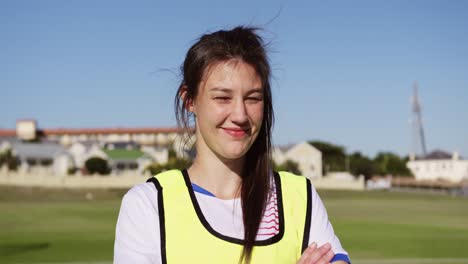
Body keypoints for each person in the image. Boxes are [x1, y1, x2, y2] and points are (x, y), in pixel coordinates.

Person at [114, 26, 351, 264]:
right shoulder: (149, 204)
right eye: (222, 98)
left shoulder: (299, 196)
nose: (240, 114)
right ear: (190, 100)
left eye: (253, 98)